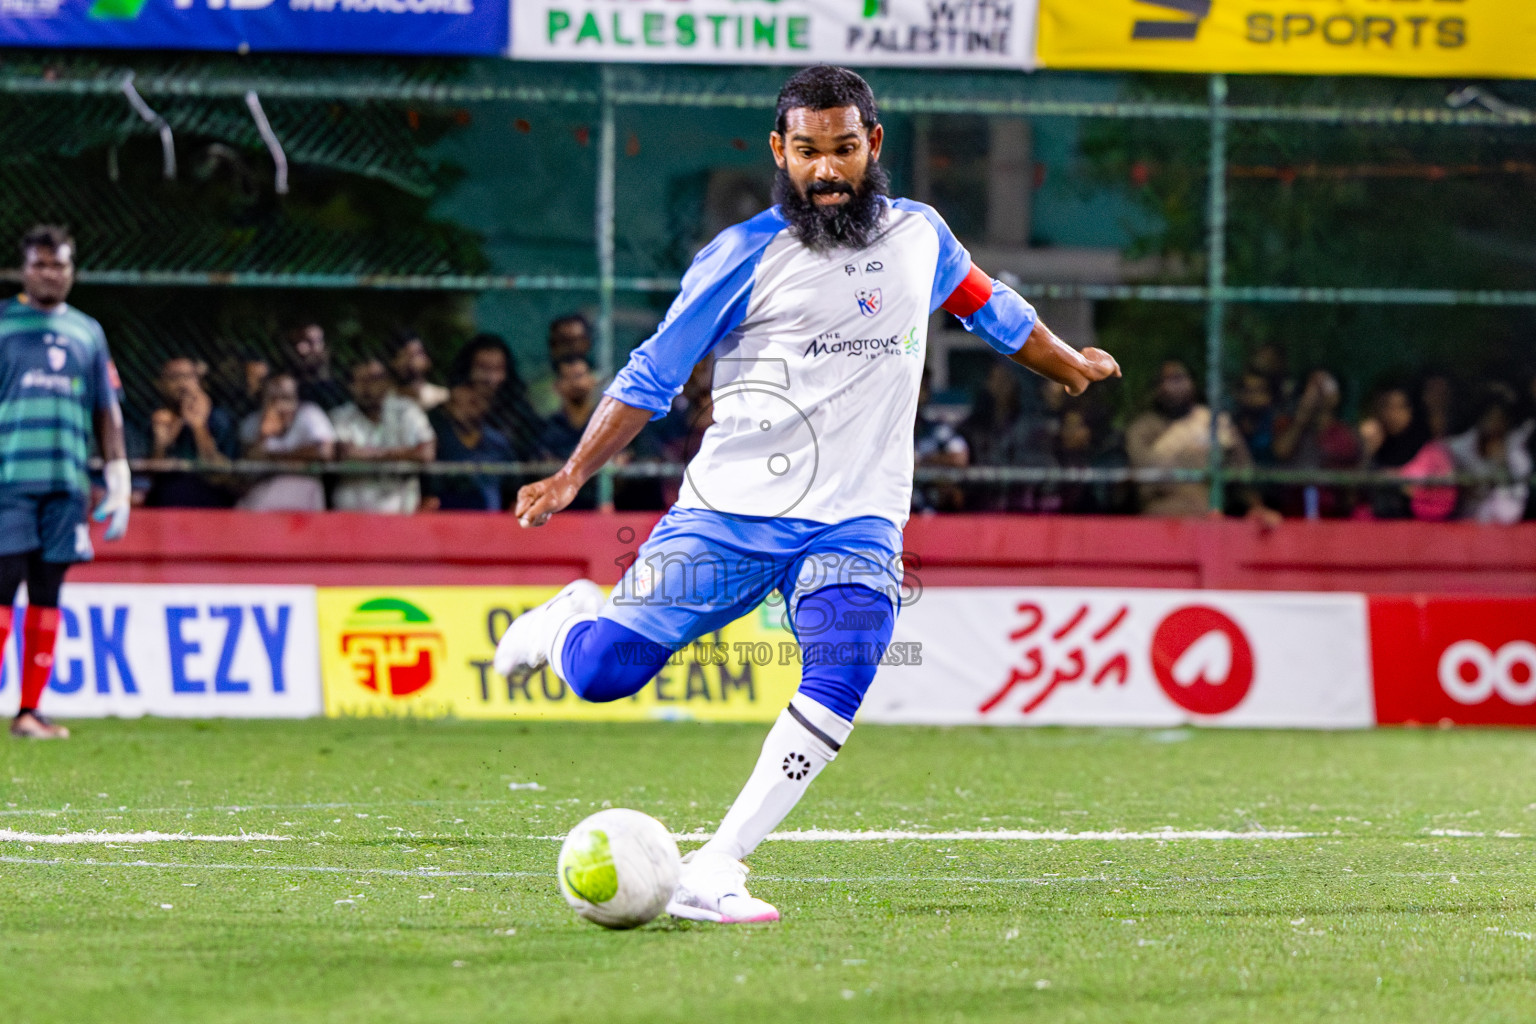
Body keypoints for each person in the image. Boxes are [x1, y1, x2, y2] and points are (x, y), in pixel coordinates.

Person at [493, 66, 1120, 924]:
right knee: (604, 672)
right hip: (728, 514)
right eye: (809, 153)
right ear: (779, 153)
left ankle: (717, 866)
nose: (828, 171)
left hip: (858, 518)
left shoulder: (921, 237)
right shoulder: (742, 255)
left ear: (874, 146)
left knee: (849, 657)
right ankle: (569, 618)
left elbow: (989, 307)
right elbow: (651, 376)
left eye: (844, 150)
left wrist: (1069, 363)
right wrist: (573, 473)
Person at [1, 225, 132, 739]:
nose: (49, 273)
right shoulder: (4, 324)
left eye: (58, 265)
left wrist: (117, 475)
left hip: (66, 483)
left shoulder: (88, 332)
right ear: (23, 269)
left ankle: (29, 711)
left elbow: (107, 410)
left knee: (48, 590)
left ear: (71, 270)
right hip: (9, 482)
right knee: (2, 584)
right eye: (40, 264)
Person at [1125, 360, 1277, 522]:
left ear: (1193, 383)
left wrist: (1256, 508)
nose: (1172, 386)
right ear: (1156, 388)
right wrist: (1183, 441)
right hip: (1161, 524)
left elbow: (1242, 474)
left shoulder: (1213, 422)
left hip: (1211, 524)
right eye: (1165, 380)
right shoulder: (1141, 429)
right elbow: (1146, 482)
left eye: (1178, 378)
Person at [329, 357, 436, 514]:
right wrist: (405, 452)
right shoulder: (340, 416)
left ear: (387, 383)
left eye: (376, 379)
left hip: (402, 514)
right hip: (353, 516)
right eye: (362, 381)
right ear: (351, 385)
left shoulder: (407, 411)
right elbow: (345, 453)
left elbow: (426, 452)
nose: (370, 386)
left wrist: (367, 453)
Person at [143, 356, 239, 508]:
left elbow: (222, 476)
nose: (182, 383)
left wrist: (199, 427)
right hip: (165, 505)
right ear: (161, 384)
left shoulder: (219, 419)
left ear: (199, 382)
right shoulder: (156, 421)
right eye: (174, 377)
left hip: (210, 504)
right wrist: (161, 445)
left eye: (188, 376)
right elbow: (150, 478)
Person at [237, 373, 334, 511]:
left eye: (286, 398)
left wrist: (272, 457)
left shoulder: (310, 414)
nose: (281, 405)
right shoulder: (252, 422)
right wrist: (264, 434)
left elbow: (324, 452)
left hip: (303, 495)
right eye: (273, 399)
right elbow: (248, 465)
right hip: (263, 495)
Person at [1273, 369, 1360, 519]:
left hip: (1333, 517)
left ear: (1337, 395)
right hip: (1293, 514)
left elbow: (1351, 485)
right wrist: (1302, 415)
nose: (1318, 393)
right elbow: (1281, 452)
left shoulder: (1346, 435)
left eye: (1324, 386)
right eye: (1313, 387)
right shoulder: (1286, 425)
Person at [1445, 384, 1533, 524]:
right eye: (1490, 418)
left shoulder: (1515, 451)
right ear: (1480, 418)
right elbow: (1442, 452)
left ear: (1506, 422)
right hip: (1464, 521)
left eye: (1499, 419)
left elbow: (1521, 483)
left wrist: (1502, 464)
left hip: (1503, 524)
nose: (1493, 424)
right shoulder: (1461, 446)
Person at [448, 333, 543, 457]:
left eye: (498, 369)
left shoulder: (520, 414)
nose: (491, 378)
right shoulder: (450, 413)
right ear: (467, 370)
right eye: (483, 368)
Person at [425, 383, 515, 511]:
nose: (466, 410)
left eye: (473, 403)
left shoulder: (498, 443)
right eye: (458, 403)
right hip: (449, 515)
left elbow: (513, 489)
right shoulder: (440, 440)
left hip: (491, 517)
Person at [538, 354, 602, 511]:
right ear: (557, 386)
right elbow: (543, 469)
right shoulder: (547, 427)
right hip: (559, 508)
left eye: (579, 376)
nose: (575, 383)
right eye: (568, 378)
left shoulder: (607, 423)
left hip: (602, 504)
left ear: (593, 380)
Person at [1358, 384, 1432, 520]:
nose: (1394, 414)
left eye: (1400, 407)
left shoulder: (1426, 447)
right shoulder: (1371, 441)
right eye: (1388, 407)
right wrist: (1366, 450)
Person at [284, 319, 349, 411]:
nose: (301, 348)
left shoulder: (346, 386)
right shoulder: (289, 395)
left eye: (312, 342)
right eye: (296, 343)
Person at [388, 328, 448, 412]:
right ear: (393, 362)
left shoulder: (442, 397)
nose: (411, 361)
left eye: (418, 354)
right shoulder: (383, 402)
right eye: (406, 355)